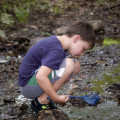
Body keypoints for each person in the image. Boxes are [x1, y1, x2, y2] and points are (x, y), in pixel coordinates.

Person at [18, 21, 95, 113]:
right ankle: (42, 101)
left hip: (32, 83)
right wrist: (56, 98)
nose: (82, 54)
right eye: (83, 49)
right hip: (28, 86)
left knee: (76, 65)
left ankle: (45, 96)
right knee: (69, 64)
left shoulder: (58, 44)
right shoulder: (56, 49)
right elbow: (40, 76)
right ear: (76, 38)